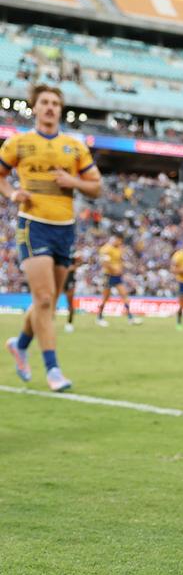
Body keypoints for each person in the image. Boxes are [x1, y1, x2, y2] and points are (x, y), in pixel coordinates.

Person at [3, 84, 101, 392]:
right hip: (34, 224)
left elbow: (96, 187)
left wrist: (72, 181)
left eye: (55, 103)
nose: (50, 107)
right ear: (34, 107)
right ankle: (53, 369)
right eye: (44, 102)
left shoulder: (74, 147)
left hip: (65, 227)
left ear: (60, 109)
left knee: (49, 301)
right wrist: (12, 193)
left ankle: (20, 345)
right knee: (43, 298)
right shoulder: (18, 143)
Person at [95, 233, 142, 328]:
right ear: (116, 239)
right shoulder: (106, 249)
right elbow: (105, 263)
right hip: (108, 276)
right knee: (105, 298)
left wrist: (123, 266)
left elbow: (119, 261)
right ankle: (99, 317)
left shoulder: (119, 249)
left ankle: (130, 317)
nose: (121, 242)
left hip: (117, 277)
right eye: (120, 240)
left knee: (124, 295)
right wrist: (115, 269)